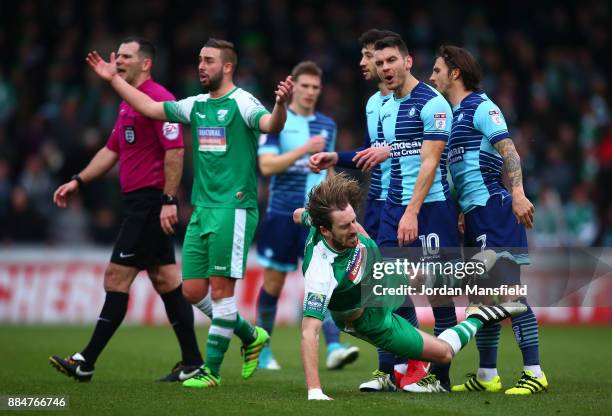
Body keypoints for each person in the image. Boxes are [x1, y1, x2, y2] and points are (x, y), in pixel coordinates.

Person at [86, 38, 293, 388]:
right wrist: (113, 80)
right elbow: (151, 108)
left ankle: (209, 371)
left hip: (234, 208)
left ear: (227, 67)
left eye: (209, 61)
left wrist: (281, 105)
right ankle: (251, 335)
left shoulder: (242, 102)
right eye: (199, 59)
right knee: (193, 291)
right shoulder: (196, 105)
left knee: (222, 291)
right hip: (201, 210)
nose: (201, 66)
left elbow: (271, 125)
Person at [49, 37, 203, 383]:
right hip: (137, 202)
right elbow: (111, 149)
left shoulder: (160, 99)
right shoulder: (127, 104)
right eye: (117, 56)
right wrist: (79, 181)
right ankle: (193, 361)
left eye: (126, 56)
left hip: (150, 202)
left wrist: (167, 200)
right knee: (166, 280)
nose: (118, 60)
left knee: (116, 278)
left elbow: (175, 151)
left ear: (145, 63)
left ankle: (85, 361)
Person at [295, 173, 527, 400]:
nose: (354, 229)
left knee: (425, 277)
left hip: (379, 274)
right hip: (370, 318)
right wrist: (315, 391)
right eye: (345, 226)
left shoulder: (319, 220)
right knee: (444, 354)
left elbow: (298, 215)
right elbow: (309, 332)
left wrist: (301, 216)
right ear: (325, 230)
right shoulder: (321, 269)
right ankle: (481, 315)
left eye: (354, 220)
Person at [429, 45, 546, 395]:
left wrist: (519, 193)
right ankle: (487, 375)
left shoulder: (483, 107)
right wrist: (463, 211)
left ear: (455, 73)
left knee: (507, 296)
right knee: (481, 299)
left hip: (495, 210)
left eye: (436, 70)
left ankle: (534, 372)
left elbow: (508, 149)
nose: (431, 77)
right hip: (475, 217)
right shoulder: (452, 115)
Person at [256, 60, 358, 371]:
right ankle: (261, 350)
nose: (311, 92)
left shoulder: (327, 125)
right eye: (305, 86)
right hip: (282, 214)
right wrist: (302, 150)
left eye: (316, 87)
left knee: (321, 279)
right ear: (294, 87)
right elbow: (267, 166)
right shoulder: (276, 121)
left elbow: (328, 170)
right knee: (273, 284)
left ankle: (334, 347)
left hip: (315, 216)